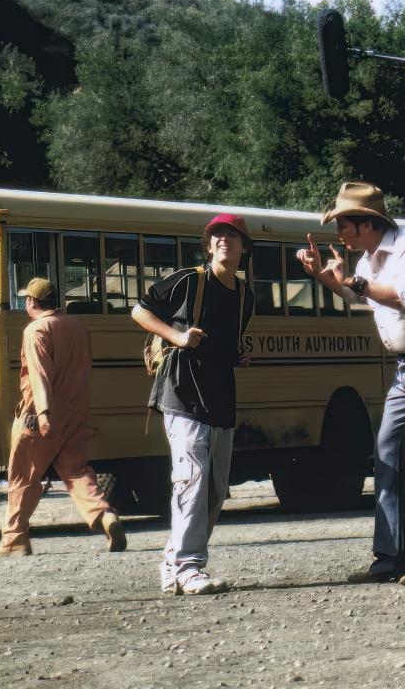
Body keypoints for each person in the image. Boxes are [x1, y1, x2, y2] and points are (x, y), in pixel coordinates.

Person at [297, 181, 405, 586]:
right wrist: (326, 277)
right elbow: (359, 297)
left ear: (365, 223)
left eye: (342, 224)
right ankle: (391, 557)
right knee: (387, 451)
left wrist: (351, 281)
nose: (339, 233)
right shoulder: (368, 260)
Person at [132, 213, 254, 595]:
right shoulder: (189, 281)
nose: (223, 240)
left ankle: (174, 561)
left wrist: (239, 355)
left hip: (220, 397)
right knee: (191, 478)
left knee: (216, 490)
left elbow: (227, 343)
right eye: (216, 235)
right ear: (208, 245)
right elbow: (139, 310)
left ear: (243, 247)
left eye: (231, 236)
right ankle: (189, 566)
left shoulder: (245, 294)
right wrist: (177, 335)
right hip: (182, 394)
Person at [0, 278, 126, 558]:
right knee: (77, 471)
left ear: (32, 301)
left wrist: (43, 413)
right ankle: (105, 516)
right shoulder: (77, 327)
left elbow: (39, 375)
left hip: (41, 414)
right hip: (76, 412)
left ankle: (14, 540)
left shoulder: (36, 330)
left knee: (23, 476)